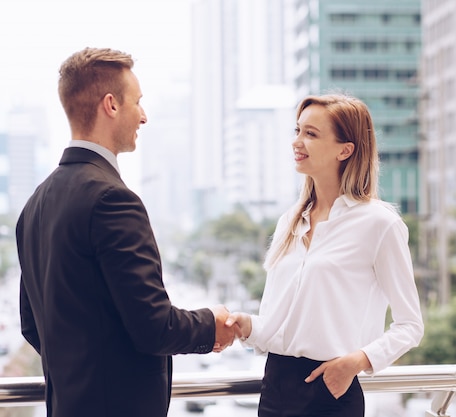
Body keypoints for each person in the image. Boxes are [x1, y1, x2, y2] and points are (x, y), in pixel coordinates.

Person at [15, 47, 236, 417]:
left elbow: (31, 326)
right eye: (138, 102)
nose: (144, 116)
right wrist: (211, 324)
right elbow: (154, 326)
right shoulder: (113, 200)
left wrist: (82, 372)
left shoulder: (35, 205)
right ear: (111, 105)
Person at [226, 93, 424, 417]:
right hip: (275, 388)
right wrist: (247, 325)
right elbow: (278, 326)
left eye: (311, 134)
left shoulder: (380, 224)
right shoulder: (289, 221)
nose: (297, 142)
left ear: (345, 150)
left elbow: (410, 325)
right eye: (297, 130)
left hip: (329, 393)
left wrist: (357, 361)